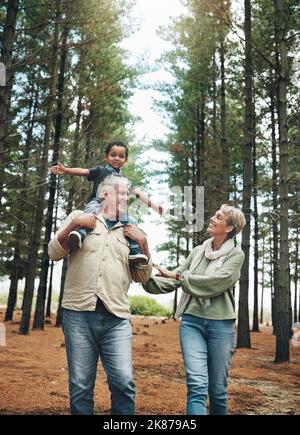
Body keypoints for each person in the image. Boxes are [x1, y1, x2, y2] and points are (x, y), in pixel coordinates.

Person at [48, 174, 152, 415]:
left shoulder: (133, 230)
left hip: (116, 317)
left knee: (123, 382)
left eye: (128, 194)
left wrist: (144, 243)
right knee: (81, 385)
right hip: (78, 314)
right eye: (122, 193)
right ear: (105, 194)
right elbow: (53, 252)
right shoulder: (79, 217)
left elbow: (143, 277)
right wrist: (75, 225)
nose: (127, 198)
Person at [143, 204, 246, 415]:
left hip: (221, 325)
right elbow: (175, 280)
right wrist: (144, 278)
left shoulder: (236, 255)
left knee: (217, 389)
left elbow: (215, 282)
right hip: (191, 322)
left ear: (228, 228)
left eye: (218, 216)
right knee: (197, 385)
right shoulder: (198, 251)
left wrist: (180, 277)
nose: (212, 218)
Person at [50, 141, 164, 266]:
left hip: (115, 209)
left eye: (121, 156)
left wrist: (153, 205)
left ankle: (134, 250)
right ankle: (80, 234)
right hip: (97, 202)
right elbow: (84, 171)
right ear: (106, 157)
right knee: (91, 215)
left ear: (125, 160)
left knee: (130, 222)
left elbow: (137, 193)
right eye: (113, 155)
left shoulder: (124, 180)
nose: (117, 158)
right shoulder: (101, 170)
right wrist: (66, 170)